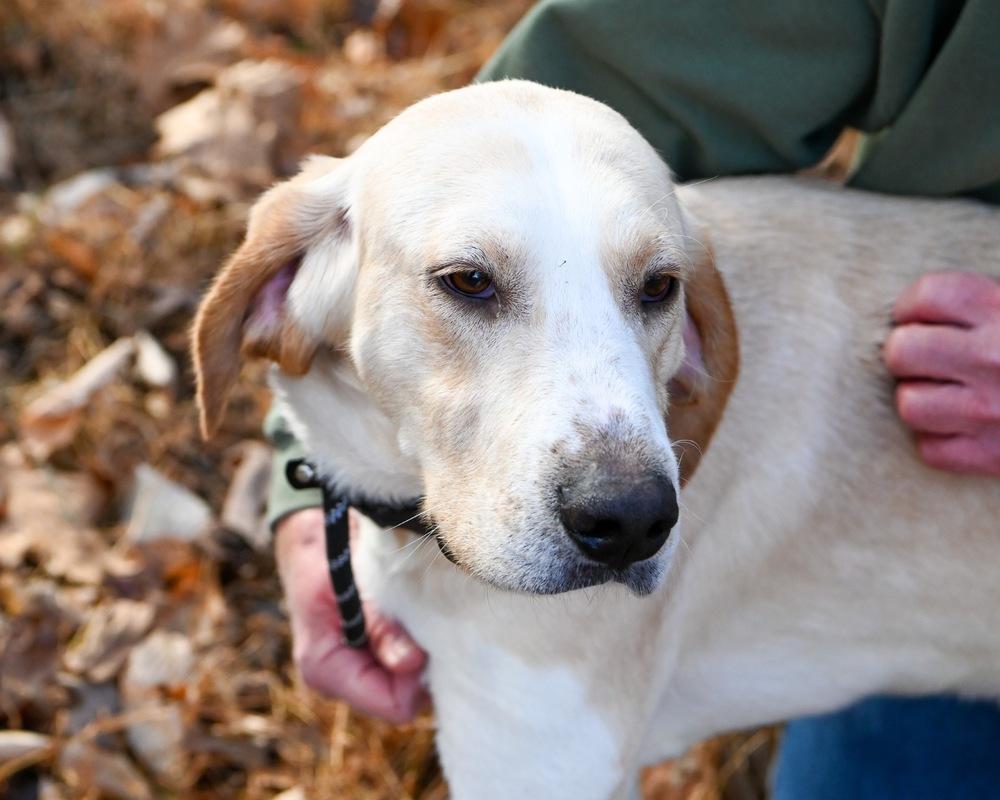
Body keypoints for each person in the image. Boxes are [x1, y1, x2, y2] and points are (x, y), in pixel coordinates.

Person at [268, 2, 1000, 796]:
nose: (637, 502)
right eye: (470, 283)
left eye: (653, 290)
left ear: (695, 343)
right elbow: (559, 114)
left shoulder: (689, 312)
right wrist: (306, 489)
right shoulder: (417, 221)